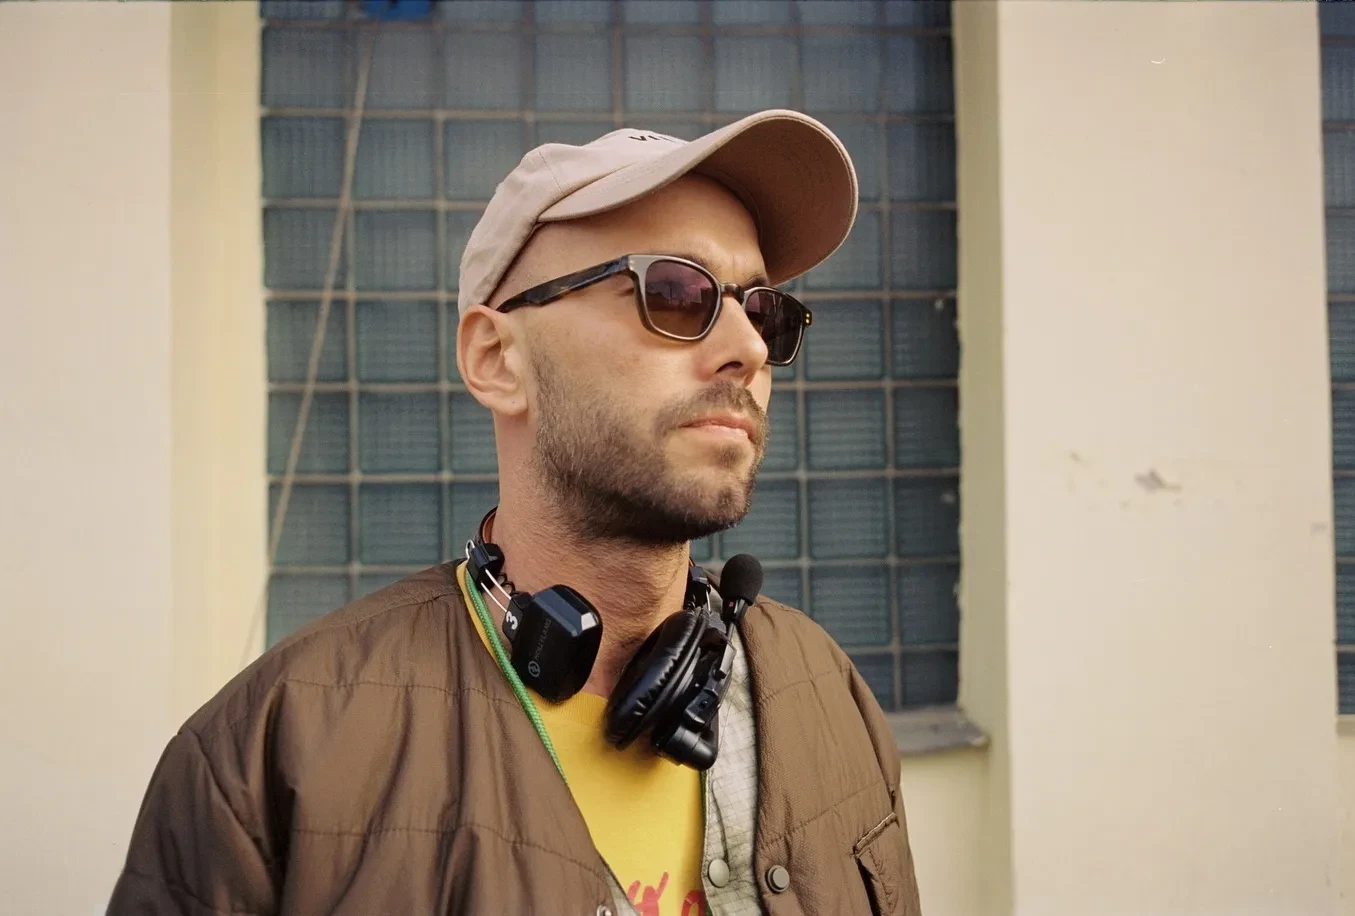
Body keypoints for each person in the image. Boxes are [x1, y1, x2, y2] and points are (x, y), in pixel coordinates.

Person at [109, 109, 922, 916]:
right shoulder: (268, 755)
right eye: (676, 293)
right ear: (497, 359)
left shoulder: (823, 692)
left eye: (763, 311)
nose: (746, 348)